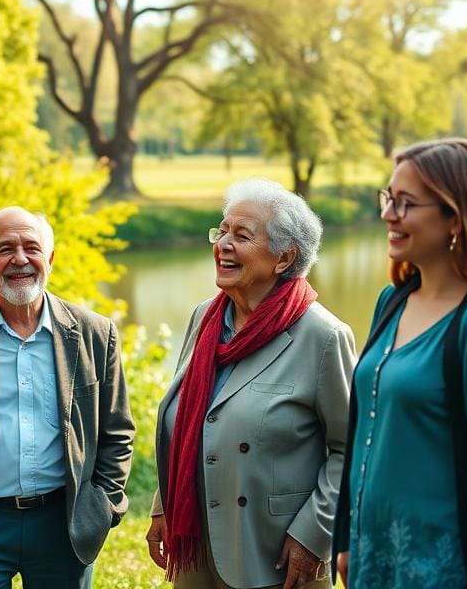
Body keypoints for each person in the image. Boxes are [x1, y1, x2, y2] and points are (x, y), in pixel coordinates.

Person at [147, 178, 356, 589]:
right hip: (196, 546)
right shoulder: (203, 318)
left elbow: (349, 449)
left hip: (276, 553)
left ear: (284, 258)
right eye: (221, 231)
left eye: (241, 236)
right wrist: (164, 506)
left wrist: (314, 535)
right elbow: (189, 424)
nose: (223, 244)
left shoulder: (323, 336)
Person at [0, 206, 135, 589]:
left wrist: (101, 507)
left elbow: (117, 432)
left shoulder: (95, 333)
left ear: (50, 258)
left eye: (31, 247)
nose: (19, 259)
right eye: (4, 249)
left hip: (63, 525)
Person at [333, 139, 467, 588]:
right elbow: (367, 431)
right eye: (388, 199)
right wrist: (347, 542)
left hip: (439, 569)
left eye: (406, 204)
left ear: (455, 217)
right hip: (373, 559)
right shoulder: (391, 301)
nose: (389, 214)